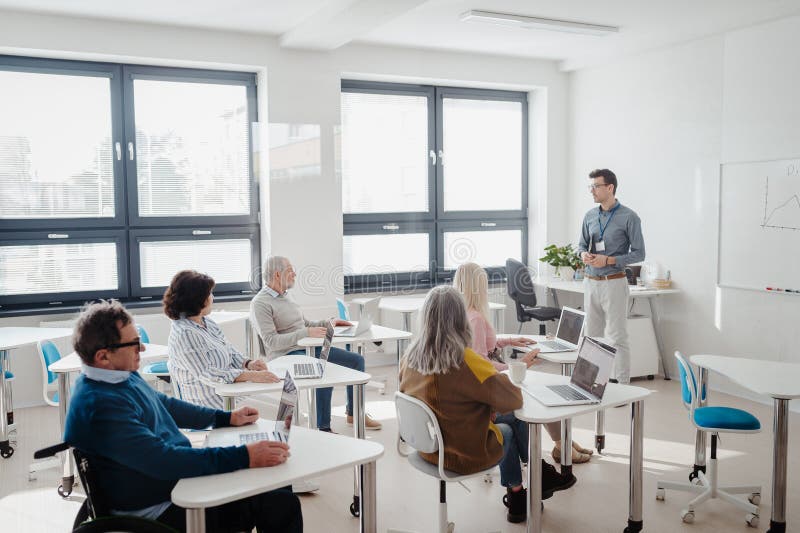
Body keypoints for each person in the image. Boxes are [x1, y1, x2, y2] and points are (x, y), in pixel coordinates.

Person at [64, 300, 302, 532]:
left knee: (276, 480)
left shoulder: (118, 374)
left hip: (174, 481)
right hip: (163, 510)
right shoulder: (100, 406)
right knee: (279, 502)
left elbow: (164, 404)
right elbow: (165, 461)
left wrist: (225, 418)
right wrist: (246, 456)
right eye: (135, 343)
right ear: (103, 356)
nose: (143, 348)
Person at [399, 286, 575, 524]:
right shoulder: (465, 360)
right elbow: (514, 400)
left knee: (505, 419)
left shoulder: (408, 357)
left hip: (426, 447)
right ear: (461, 319)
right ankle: (532, 479)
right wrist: (489, 406)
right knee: (511, 423)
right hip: (461, 454)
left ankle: (519, 493)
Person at [453, 262, 593, 464]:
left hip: (488, 380)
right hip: (491, 382)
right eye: (484, 284)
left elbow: (481, 347)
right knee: (540, 394)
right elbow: (481, 362)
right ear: (477, 287)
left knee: (539, 391)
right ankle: (561, 445)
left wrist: (509, 341)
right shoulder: (475, 317)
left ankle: (563, 443)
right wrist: (520, 365)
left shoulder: (465, 313)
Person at [250, 256, 381, 431]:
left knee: (356, 361)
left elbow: (305, 324)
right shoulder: (260, 303)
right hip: (285, 355)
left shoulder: (287, 296)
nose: (295, 274)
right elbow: (272, 343)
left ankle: (354, 413)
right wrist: (305, 333)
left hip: (307, 348)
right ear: (277, 274)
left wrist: (329, 323)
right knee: (323, 368)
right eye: (290, 270)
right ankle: (323, 427)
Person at [165, 270, 280, 410]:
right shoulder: (185, 334)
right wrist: (252, 376)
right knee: (282, 415)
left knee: (286, 407)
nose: (212, 298)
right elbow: (207, 374)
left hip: (232, 394)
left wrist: (249, 363)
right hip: (210, 405)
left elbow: (229, 351)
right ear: (197, 299)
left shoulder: (206, 322)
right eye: (209, 294)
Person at [578, 169, 645, 384]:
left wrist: (608, 260)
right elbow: (580, 245)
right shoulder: (589, 216)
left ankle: (623, 386)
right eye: (591, 187)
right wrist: (583, 255)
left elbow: (639, 253)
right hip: (591, 282)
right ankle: (591, 384)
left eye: (596, 186)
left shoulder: (629, 217)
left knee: (617, 337)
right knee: (592, 336)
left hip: (614, 283)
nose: (592, 191)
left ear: (610, 188)